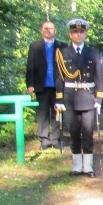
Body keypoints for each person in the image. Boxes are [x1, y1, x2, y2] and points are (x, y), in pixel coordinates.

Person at [54, 19, 103, 177]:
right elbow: (59, 78)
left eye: (81, 32)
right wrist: (59, 100)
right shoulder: (62, 53)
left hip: (88, 98)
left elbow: (98, 77)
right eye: (75, 32)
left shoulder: (93, 53)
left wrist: (100, 99)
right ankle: (76, 165)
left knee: (88, 132)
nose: (79, 34)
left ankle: (87, 166)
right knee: (74, 132)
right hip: (70, 98)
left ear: (85, 34)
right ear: (70, 34)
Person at [26, 20, 64, 149]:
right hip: (41, 85)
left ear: (55, 31)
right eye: (46, 28)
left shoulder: (62, 46)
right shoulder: (35, 46)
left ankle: (55, 138)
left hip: (58, 85)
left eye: (51, 28)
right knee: (42, 113)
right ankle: (44, 139)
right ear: (41, 30)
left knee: (57, 112)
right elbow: (30, 66)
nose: (48, 30)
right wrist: (30, 84)